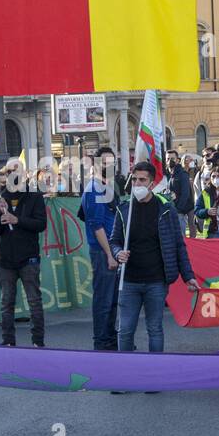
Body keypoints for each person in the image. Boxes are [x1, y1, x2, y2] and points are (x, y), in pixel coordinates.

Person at [108, 161, 201, 393]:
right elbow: (114, 241)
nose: (137, 184)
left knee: (155, 329)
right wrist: (119, 253)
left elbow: (178, 245)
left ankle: (154, 377)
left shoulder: (166, 208)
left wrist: (188, 275)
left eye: (142, 180)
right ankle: (123, 378)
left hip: (156, 281)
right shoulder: (124, 209)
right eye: (134, 180)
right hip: (129, 280)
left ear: (151, 183)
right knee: (125, 329)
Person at [0, 158, 48, 348]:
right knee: (6, 303)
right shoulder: (1, 197)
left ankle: (37, 341)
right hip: (7, 260)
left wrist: (18, 220)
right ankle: (8, 341)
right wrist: (0, 217)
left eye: (16, 170)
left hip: (28, 258)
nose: (12, 175)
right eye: (8, 172)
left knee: (34, 301)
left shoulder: (34, 196)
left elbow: (41, 224)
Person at [80, 145, 121, 351]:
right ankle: (102, 342)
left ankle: (110, 338)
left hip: (110, 249)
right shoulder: (94, 189)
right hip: (102, 250)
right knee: (104, 299)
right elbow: (96, 226)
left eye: (111, 162)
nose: (109, 165)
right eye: (105, 162)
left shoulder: (107, 186)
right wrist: (109, 255)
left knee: (112, 299)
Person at [165, 149, 195, 237]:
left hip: (182, 210)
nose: (170, 161)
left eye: (172, 158)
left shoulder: (182, 173)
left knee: (181, 235)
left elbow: (185, 193)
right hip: (174, 208)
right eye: (168, 159)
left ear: (177, 160)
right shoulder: (168, 174)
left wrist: (178, 209)